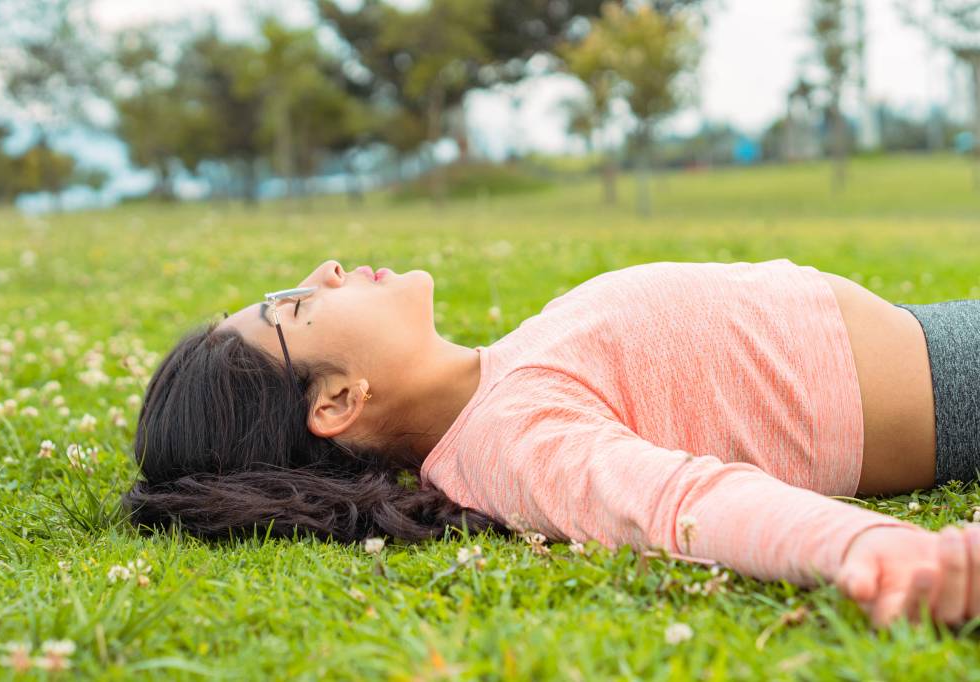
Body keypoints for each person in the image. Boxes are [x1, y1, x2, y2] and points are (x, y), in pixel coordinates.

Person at [124, 258, 980, 629]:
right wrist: (869, 546)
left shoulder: (498, 382)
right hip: (953, 386)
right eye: (297, 306)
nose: (329, 271)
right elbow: (682, 505)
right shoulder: (511, 440)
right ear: (339, 399)